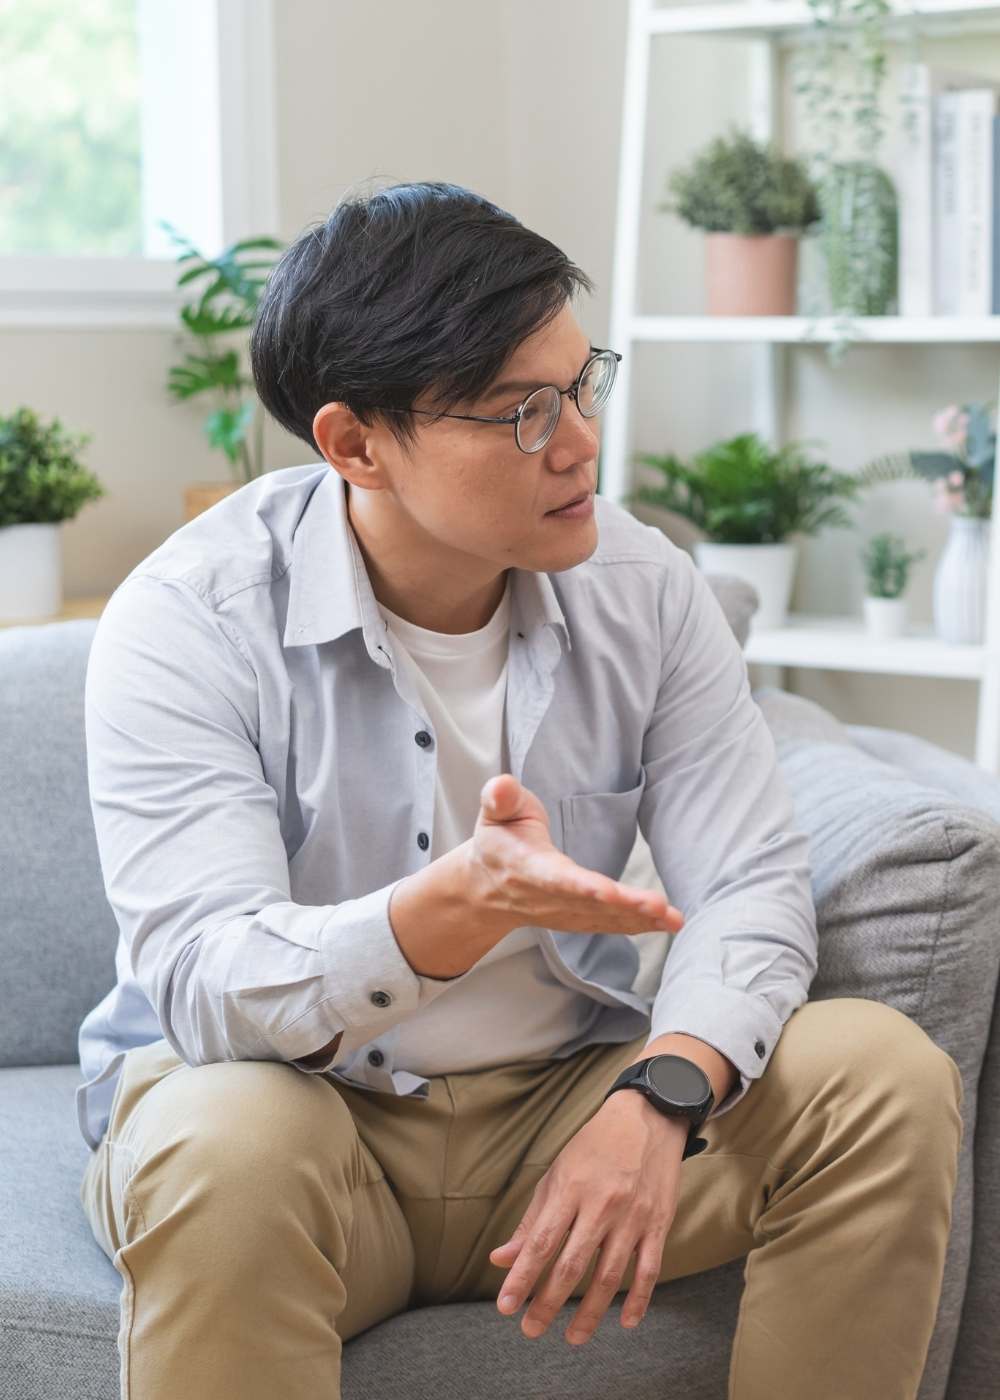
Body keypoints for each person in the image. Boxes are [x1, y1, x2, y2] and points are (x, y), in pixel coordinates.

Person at [77, 180, 963, 1400]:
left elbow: (751, 883)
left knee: (882, 1070)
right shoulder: (189, 620)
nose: (584, 440)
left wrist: (660, 1094)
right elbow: (203, 985)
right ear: (353, 444)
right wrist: (442, 913)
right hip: (307, 1118)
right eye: (522, 412)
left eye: (580, 381)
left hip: (566, 1102)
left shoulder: (649, 588)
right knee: (223, 1141)